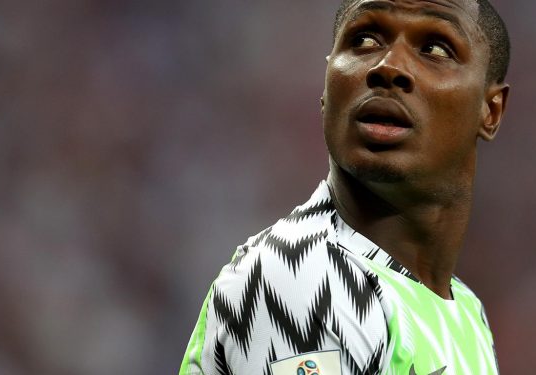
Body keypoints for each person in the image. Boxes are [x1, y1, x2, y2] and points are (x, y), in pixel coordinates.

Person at [180, 0, 510, 373]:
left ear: (491, 111)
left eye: (434, 48)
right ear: (326, 90)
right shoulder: (300, 276)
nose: (389, 67)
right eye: (365, 40)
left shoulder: (464, 310)